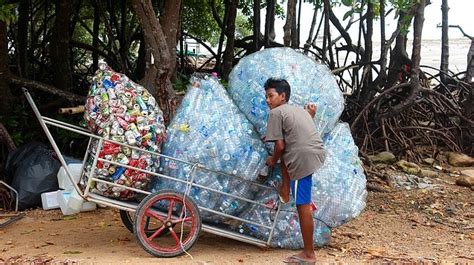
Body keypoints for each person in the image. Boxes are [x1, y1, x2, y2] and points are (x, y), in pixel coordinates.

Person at [263, 78, 326, 264]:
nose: (267, 100)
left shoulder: (275, 113)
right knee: (286, 160)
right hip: (315, 152)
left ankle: (309, 254)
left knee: (302, 205)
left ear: (282, 97)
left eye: (271, 96)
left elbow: (280, 147)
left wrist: (272, 160)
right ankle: (285, 188)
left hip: (302, 157)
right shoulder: (298, 110)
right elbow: (299, 126)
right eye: (266, 96)